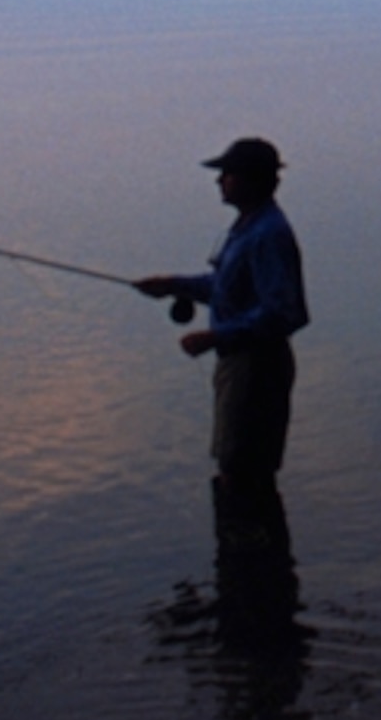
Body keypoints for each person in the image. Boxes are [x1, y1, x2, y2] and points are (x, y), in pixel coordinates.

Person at [132, 137, 308, 489]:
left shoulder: (268, 233)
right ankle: (247, 539)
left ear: (253, 179)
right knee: (235, 461)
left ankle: (250, 540)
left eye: (227, 173)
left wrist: (216, 336)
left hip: (256, 368)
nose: (219, 181)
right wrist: (173, 285)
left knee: (243, 469)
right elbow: (226, 287)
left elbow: (283, 312)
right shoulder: (249, 227)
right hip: (240, 364)